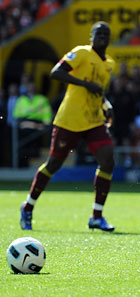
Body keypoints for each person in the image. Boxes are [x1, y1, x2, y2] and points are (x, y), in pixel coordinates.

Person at [19, 22, 116, 232]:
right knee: (53, 164)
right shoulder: (81, 53)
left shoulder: (110, 64)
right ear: (91, 36)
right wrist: (84, 84)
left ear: (109, 38)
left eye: (105, 34)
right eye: (98, 33)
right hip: (70, 119)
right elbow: (56, 72)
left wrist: (107, 105)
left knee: (108, 159)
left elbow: (99, 91)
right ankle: (27, 207)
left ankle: (96, 216)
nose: (102, 36)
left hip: (93, 120)